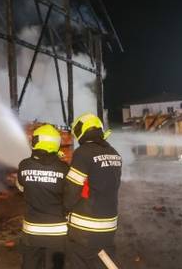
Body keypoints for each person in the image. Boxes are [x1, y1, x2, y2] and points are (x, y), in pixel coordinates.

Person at [64, 113, 122, 268]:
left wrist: (64, 209)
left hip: (85, 229)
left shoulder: (83, 153)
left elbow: (71, 190)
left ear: (81, 131)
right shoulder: (114, 153)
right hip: (109, 227)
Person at [17, 123, 69, 269]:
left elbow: (21, 187)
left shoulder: (24, 165)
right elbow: (70, 195)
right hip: (58, 231)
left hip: (32, 231)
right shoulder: (64, 169)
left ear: (36, 142)